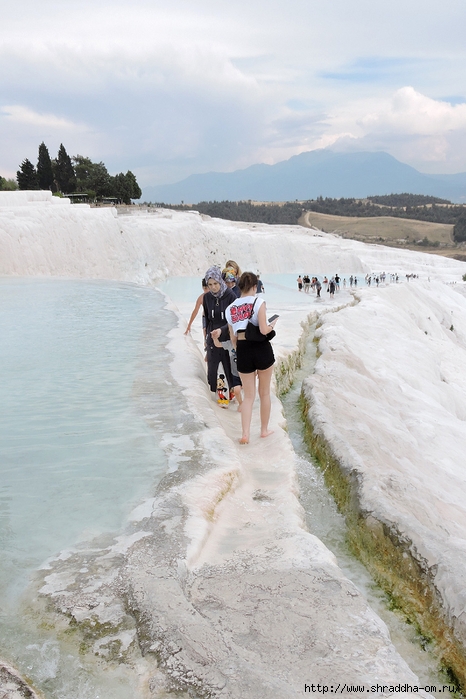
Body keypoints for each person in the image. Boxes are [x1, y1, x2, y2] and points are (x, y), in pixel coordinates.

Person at [225, 271, 278, 444]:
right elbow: (263, 330)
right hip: (261, 349)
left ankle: (245, 434)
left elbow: (233, 338)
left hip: (243, 350)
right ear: (255, 286)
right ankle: (263, 430)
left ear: (240, 287)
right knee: (264, 393)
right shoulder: (259, 302)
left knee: (248, 396)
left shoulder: (230, 308)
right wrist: (272, 325)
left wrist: (240, 352)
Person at [203, 266, 237, 401]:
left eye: (215, 284)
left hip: (227, 338)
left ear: (220, 282)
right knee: (214, 368)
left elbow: (233, 320)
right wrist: (207, 339)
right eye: (210, 285)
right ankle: (220, 396)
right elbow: (207, 319)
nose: (213, 287)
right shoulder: (207, 298)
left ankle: (232, 393)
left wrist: (222, 330)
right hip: (212, 338)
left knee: (228, 367)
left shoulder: (231, 296)